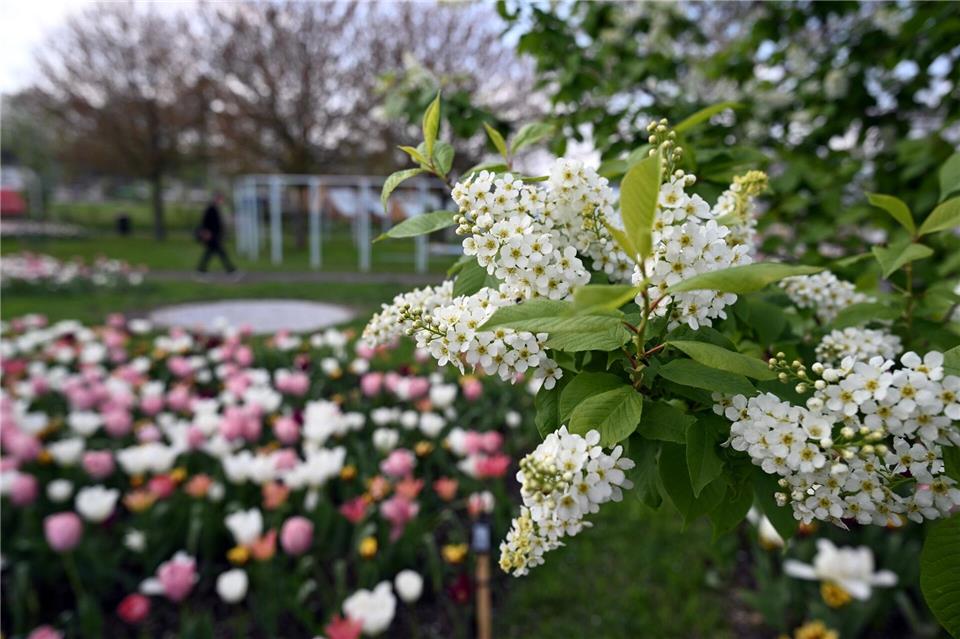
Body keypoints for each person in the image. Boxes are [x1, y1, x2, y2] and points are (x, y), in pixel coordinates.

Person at [196, 193, 236, 273]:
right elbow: (205, 221)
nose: (221, 201)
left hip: (215, 235)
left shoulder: (216, 208)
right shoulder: (211, 208)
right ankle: (230, 269)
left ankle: (201, 268)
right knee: (221, 253)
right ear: (217, 199)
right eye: (220, 200)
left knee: (210, 253)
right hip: (211, 235)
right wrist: (206, 232)